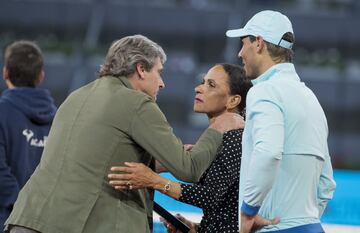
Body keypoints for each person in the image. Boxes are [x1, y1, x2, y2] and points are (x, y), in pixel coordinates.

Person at [4, 35, 243, 233]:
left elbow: (93, 159)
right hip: (76, 225)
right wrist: (218, 127)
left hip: (27, 219)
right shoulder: (137, 103)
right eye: (158, 72)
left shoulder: (77, 95)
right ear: (140, 69)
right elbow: (189, 169)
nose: (162, 83)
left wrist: (154, 166)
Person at [108, 63, 255, 232]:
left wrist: (154, 180)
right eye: (203, 82)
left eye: (211, 85)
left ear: (233, 100)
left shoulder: (235, 137)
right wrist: (196, 228)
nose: (198, 88)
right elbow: (224, 207)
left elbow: (210, 196)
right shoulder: (222, 137)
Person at [225, 10, 336, 233]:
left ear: (258, 43)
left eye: (243, 43)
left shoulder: (264, 91)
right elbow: (326, 184)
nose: (239, 53)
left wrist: (248, 212)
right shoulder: (310, 98)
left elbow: (268, 153)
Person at [0, 41, 56, 233]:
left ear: (5, 73)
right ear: (41, 76)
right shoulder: (59, 117)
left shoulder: (2, 112)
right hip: (47, 221)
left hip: (8, 220)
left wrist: (20, 206)